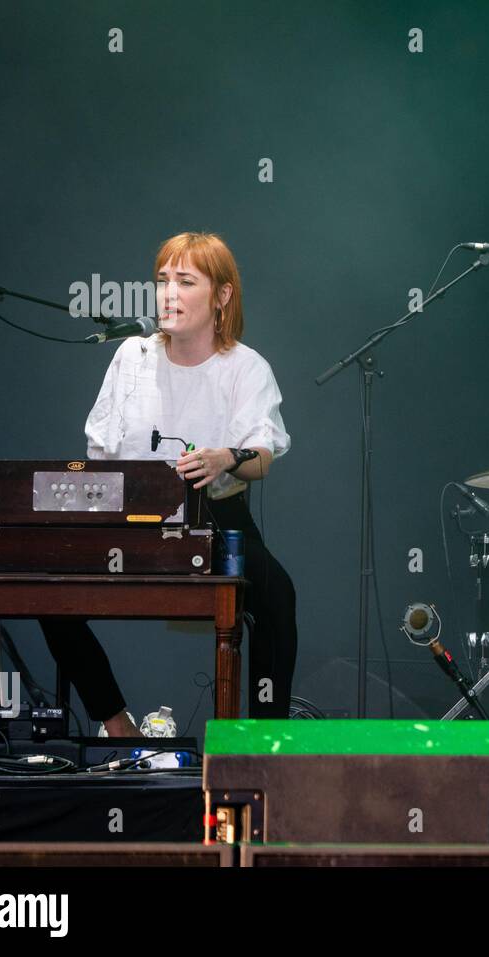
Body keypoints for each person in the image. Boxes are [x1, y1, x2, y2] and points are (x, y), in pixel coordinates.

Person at [42, 232, 297, 735]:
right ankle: (116, 724)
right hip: (127, 515)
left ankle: (264, 743)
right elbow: (99, 452)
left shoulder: (246, 366)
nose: (168, 294)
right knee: (47, 588)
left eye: (186, 281)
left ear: (222, 295)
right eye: (162, 282)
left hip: (216, 517)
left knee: (277, 595)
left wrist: (225, 457)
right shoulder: (131, 355)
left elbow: (263, 455)